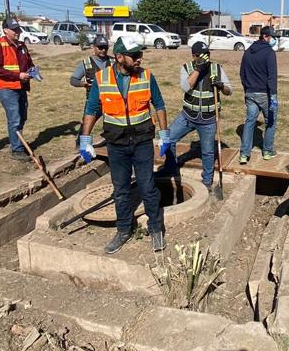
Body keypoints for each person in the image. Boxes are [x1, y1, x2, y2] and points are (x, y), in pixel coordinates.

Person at [78, 35, 169, 254]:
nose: (139, 59)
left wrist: (165, 134)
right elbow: (92, 109)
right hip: (116, 144)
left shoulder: (146, 76)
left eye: (140, 54)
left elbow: (159, 104)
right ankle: (123, 230)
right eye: (134, 55)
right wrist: (85, 139)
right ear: (119, 57)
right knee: (120, 190)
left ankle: (156, 229)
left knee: (147, 187)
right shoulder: (102, 79)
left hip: (142, 141)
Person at [162, 42, 232, 198]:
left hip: (208, 119)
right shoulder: (186, 68)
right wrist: (198, 69)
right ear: (194, 56)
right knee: (168, 138)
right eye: (202, 55)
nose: (206, 58)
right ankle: (171, 169)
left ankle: (207, 182)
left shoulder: (216, 69)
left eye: (208, 54)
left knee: (207, 152)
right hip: (188, 116)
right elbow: (186, 87)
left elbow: (229, 91)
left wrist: (221, 86)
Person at [0, 17, 37, 161]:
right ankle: (17, 150)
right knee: (14, 119)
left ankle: (19, 143)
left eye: (18, 29)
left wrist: (32, 71)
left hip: (21, 87)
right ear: (5, 30)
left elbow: (29, 63)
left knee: (22, 117)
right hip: (7, 88)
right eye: (14, 30)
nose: (17, 32)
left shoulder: (22, 46)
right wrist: (18, 76)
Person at [238, 26, 278, 164]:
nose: (274, 40)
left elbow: (242, 73)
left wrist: (246, 89)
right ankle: (267, 151)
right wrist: (273, 95)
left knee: (250, 122)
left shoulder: (248, 51)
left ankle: (244, 154)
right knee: (270, 122)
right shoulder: (270, 53)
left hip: (250, 92)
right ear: (265, 36)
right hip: (265, 94)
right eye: (273, 37)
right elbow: (272, 76)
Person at [70, 33, 112, 103]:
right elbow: (73, 80)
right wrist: (83, 84)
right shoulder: (86, 63)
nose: (103, 50)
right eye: (100, 48)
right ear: (94, 47)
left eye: (105, 47)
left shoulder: (114, 62)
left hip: (111, 101)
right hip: (93, 102)